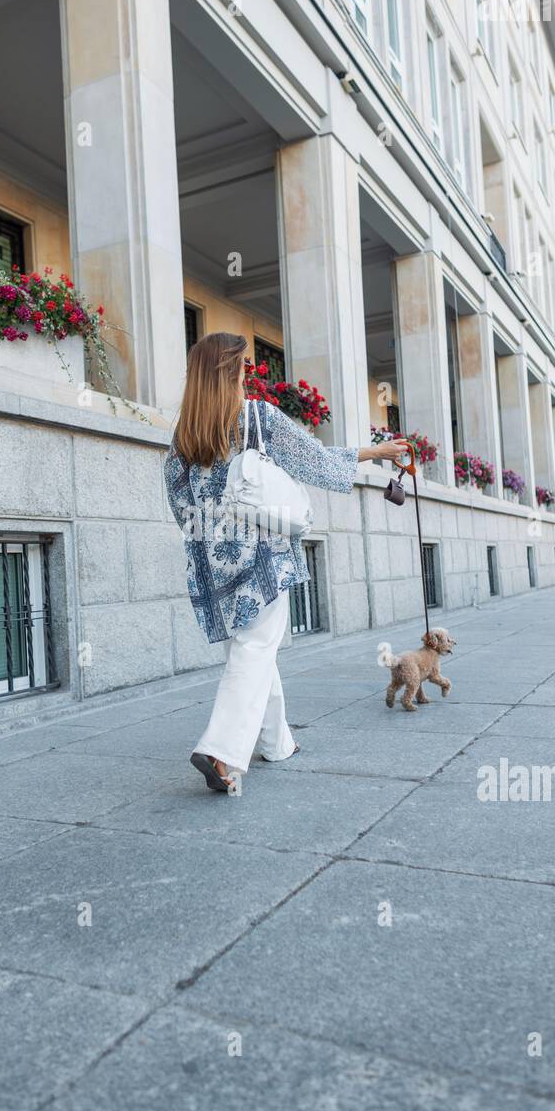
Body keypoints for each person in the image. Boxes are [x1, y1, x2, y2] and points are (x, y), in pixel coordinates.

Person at [164, 332, 409, 793]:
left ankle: (278, 743)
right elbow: (313, 460)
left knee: (253, 651)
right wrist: (374, 452)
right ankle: (220, 750)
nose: (247, 375)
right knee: (255, 651)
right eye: (243, 367)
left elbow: (179, 504)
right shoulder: (256, 417)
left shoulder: (182, 437)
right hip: (261, 560)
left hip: (212, 566)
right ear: (231, 372)